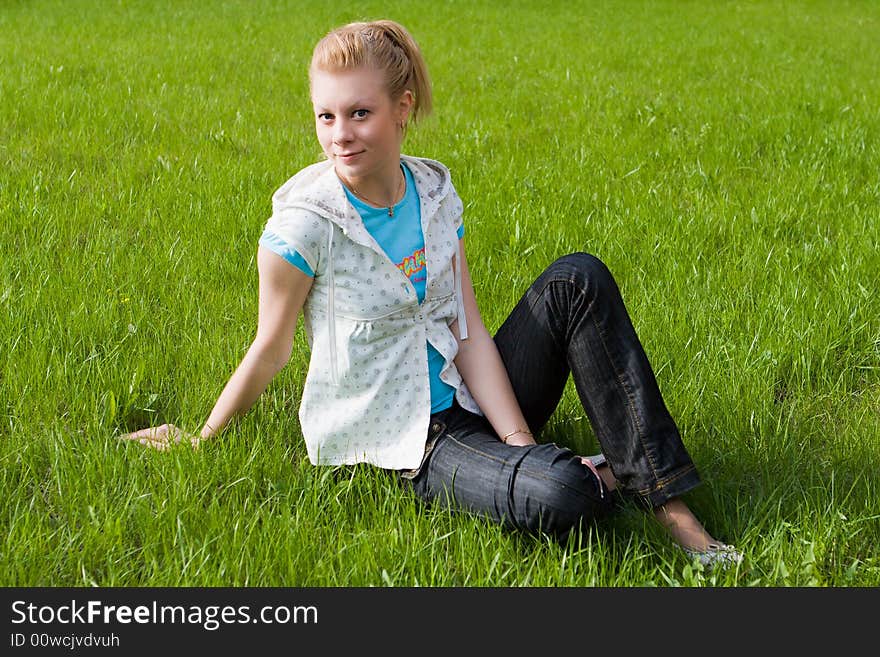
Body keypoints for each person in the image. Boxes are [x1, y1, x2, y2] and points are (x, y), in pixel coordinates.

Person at [123, 19, 742, 569]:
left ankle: (670, 509)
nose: (340, 134)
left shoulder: (435, 195)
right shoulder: (305, 225)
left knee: (576, 278)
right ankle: (610, 468)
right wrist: (204, 438)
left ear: (402, 109)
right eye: (326, 115)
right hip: (410, 441)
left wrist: (518, 441)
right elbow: (271, 347)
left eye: (359, 113)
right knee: (562, 495)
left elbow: (467, 330)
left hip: (472, 394)